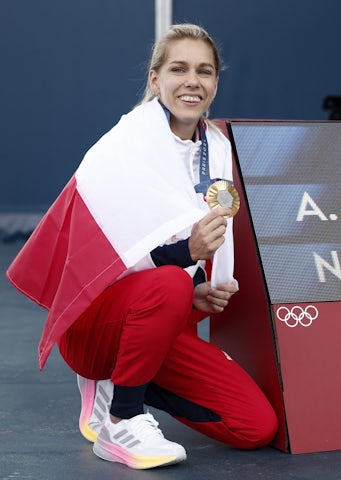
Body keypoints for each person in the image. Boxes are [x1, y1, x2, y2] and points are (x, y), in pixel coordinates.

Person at [6, 23, 278, 470]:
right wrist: (182, 257)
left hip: (158, 319)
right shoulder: (124, 147)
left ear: (215, 83)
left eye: (205, 71)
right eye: (179, 69)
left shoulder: (219, 148)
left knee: (254, 427)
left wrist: (200, 287)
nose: (193, 81)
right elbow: (102, 264)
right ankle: (121, 419)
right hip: (94, 325)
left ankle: (129, 378)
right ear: (155, 79)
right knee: (171, 281)